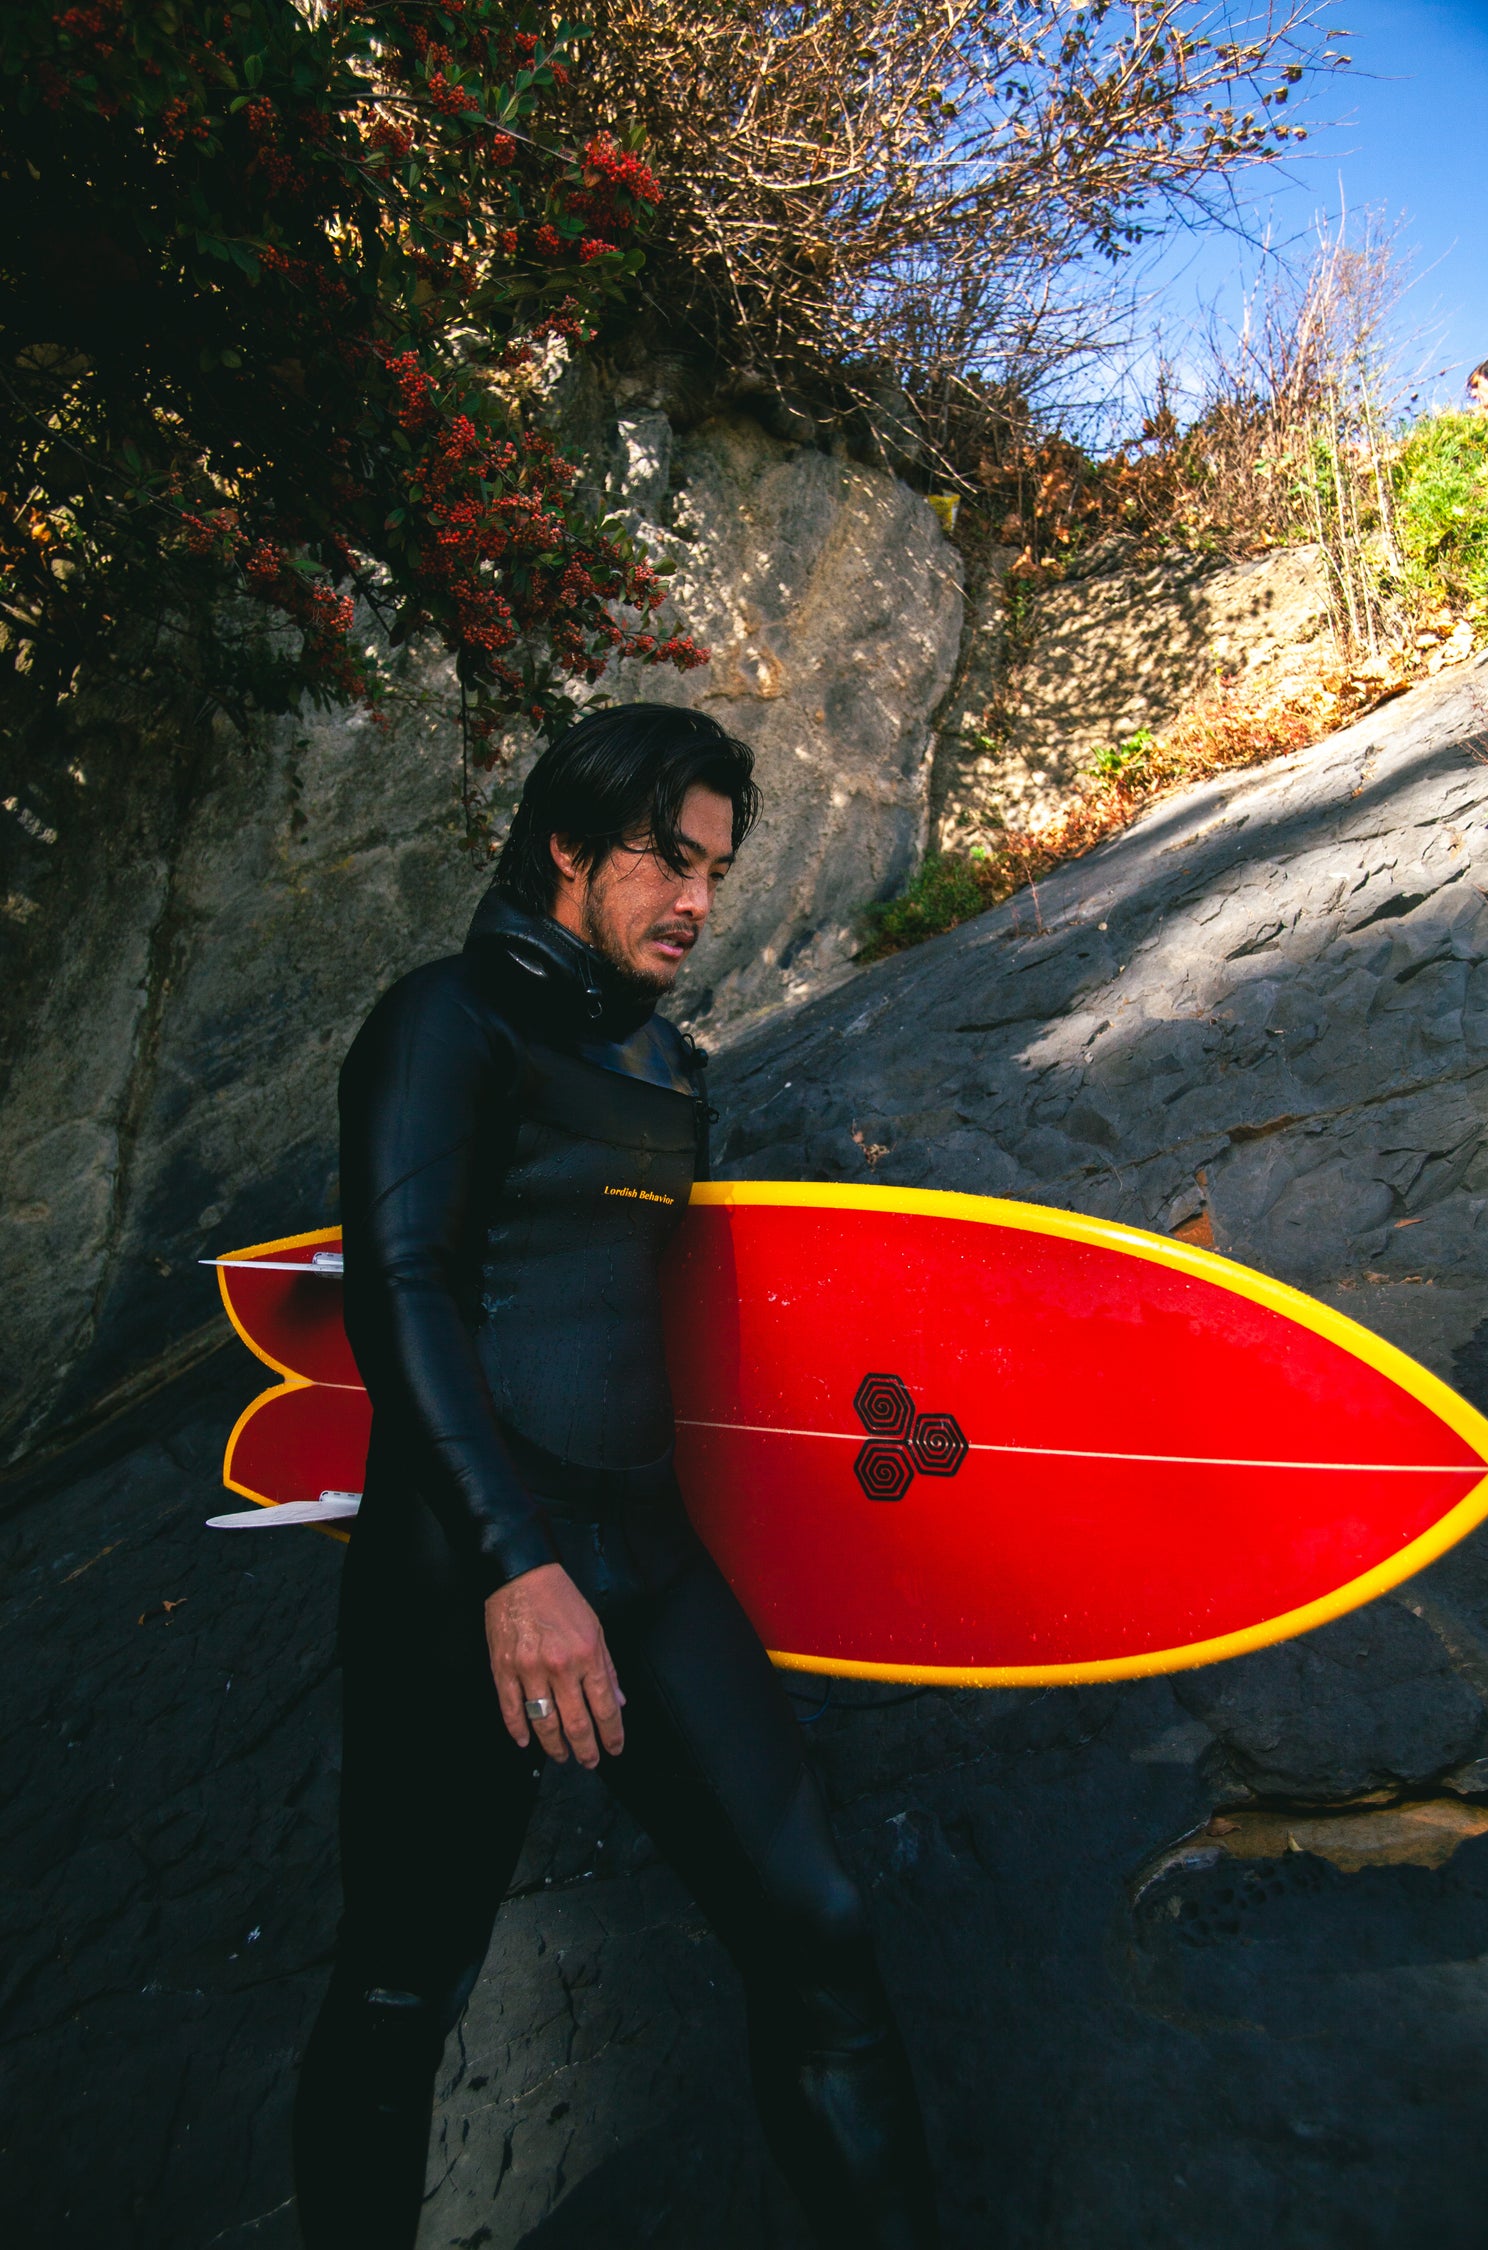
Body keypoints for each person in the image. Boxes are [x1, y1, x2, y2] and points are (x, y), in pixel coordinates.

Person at [292, 703, 941, 2248]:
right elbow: (400, 1288)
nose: (699, 899)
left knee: (819, 1924)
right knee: (402, 1985)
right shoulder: (442, 1022)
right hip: (468, 1577)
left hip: (646, 1557)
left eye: (716, 868)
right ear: (569, 849)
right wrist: (516, 1566)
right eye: (668, 859)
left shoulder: (661, 1059)